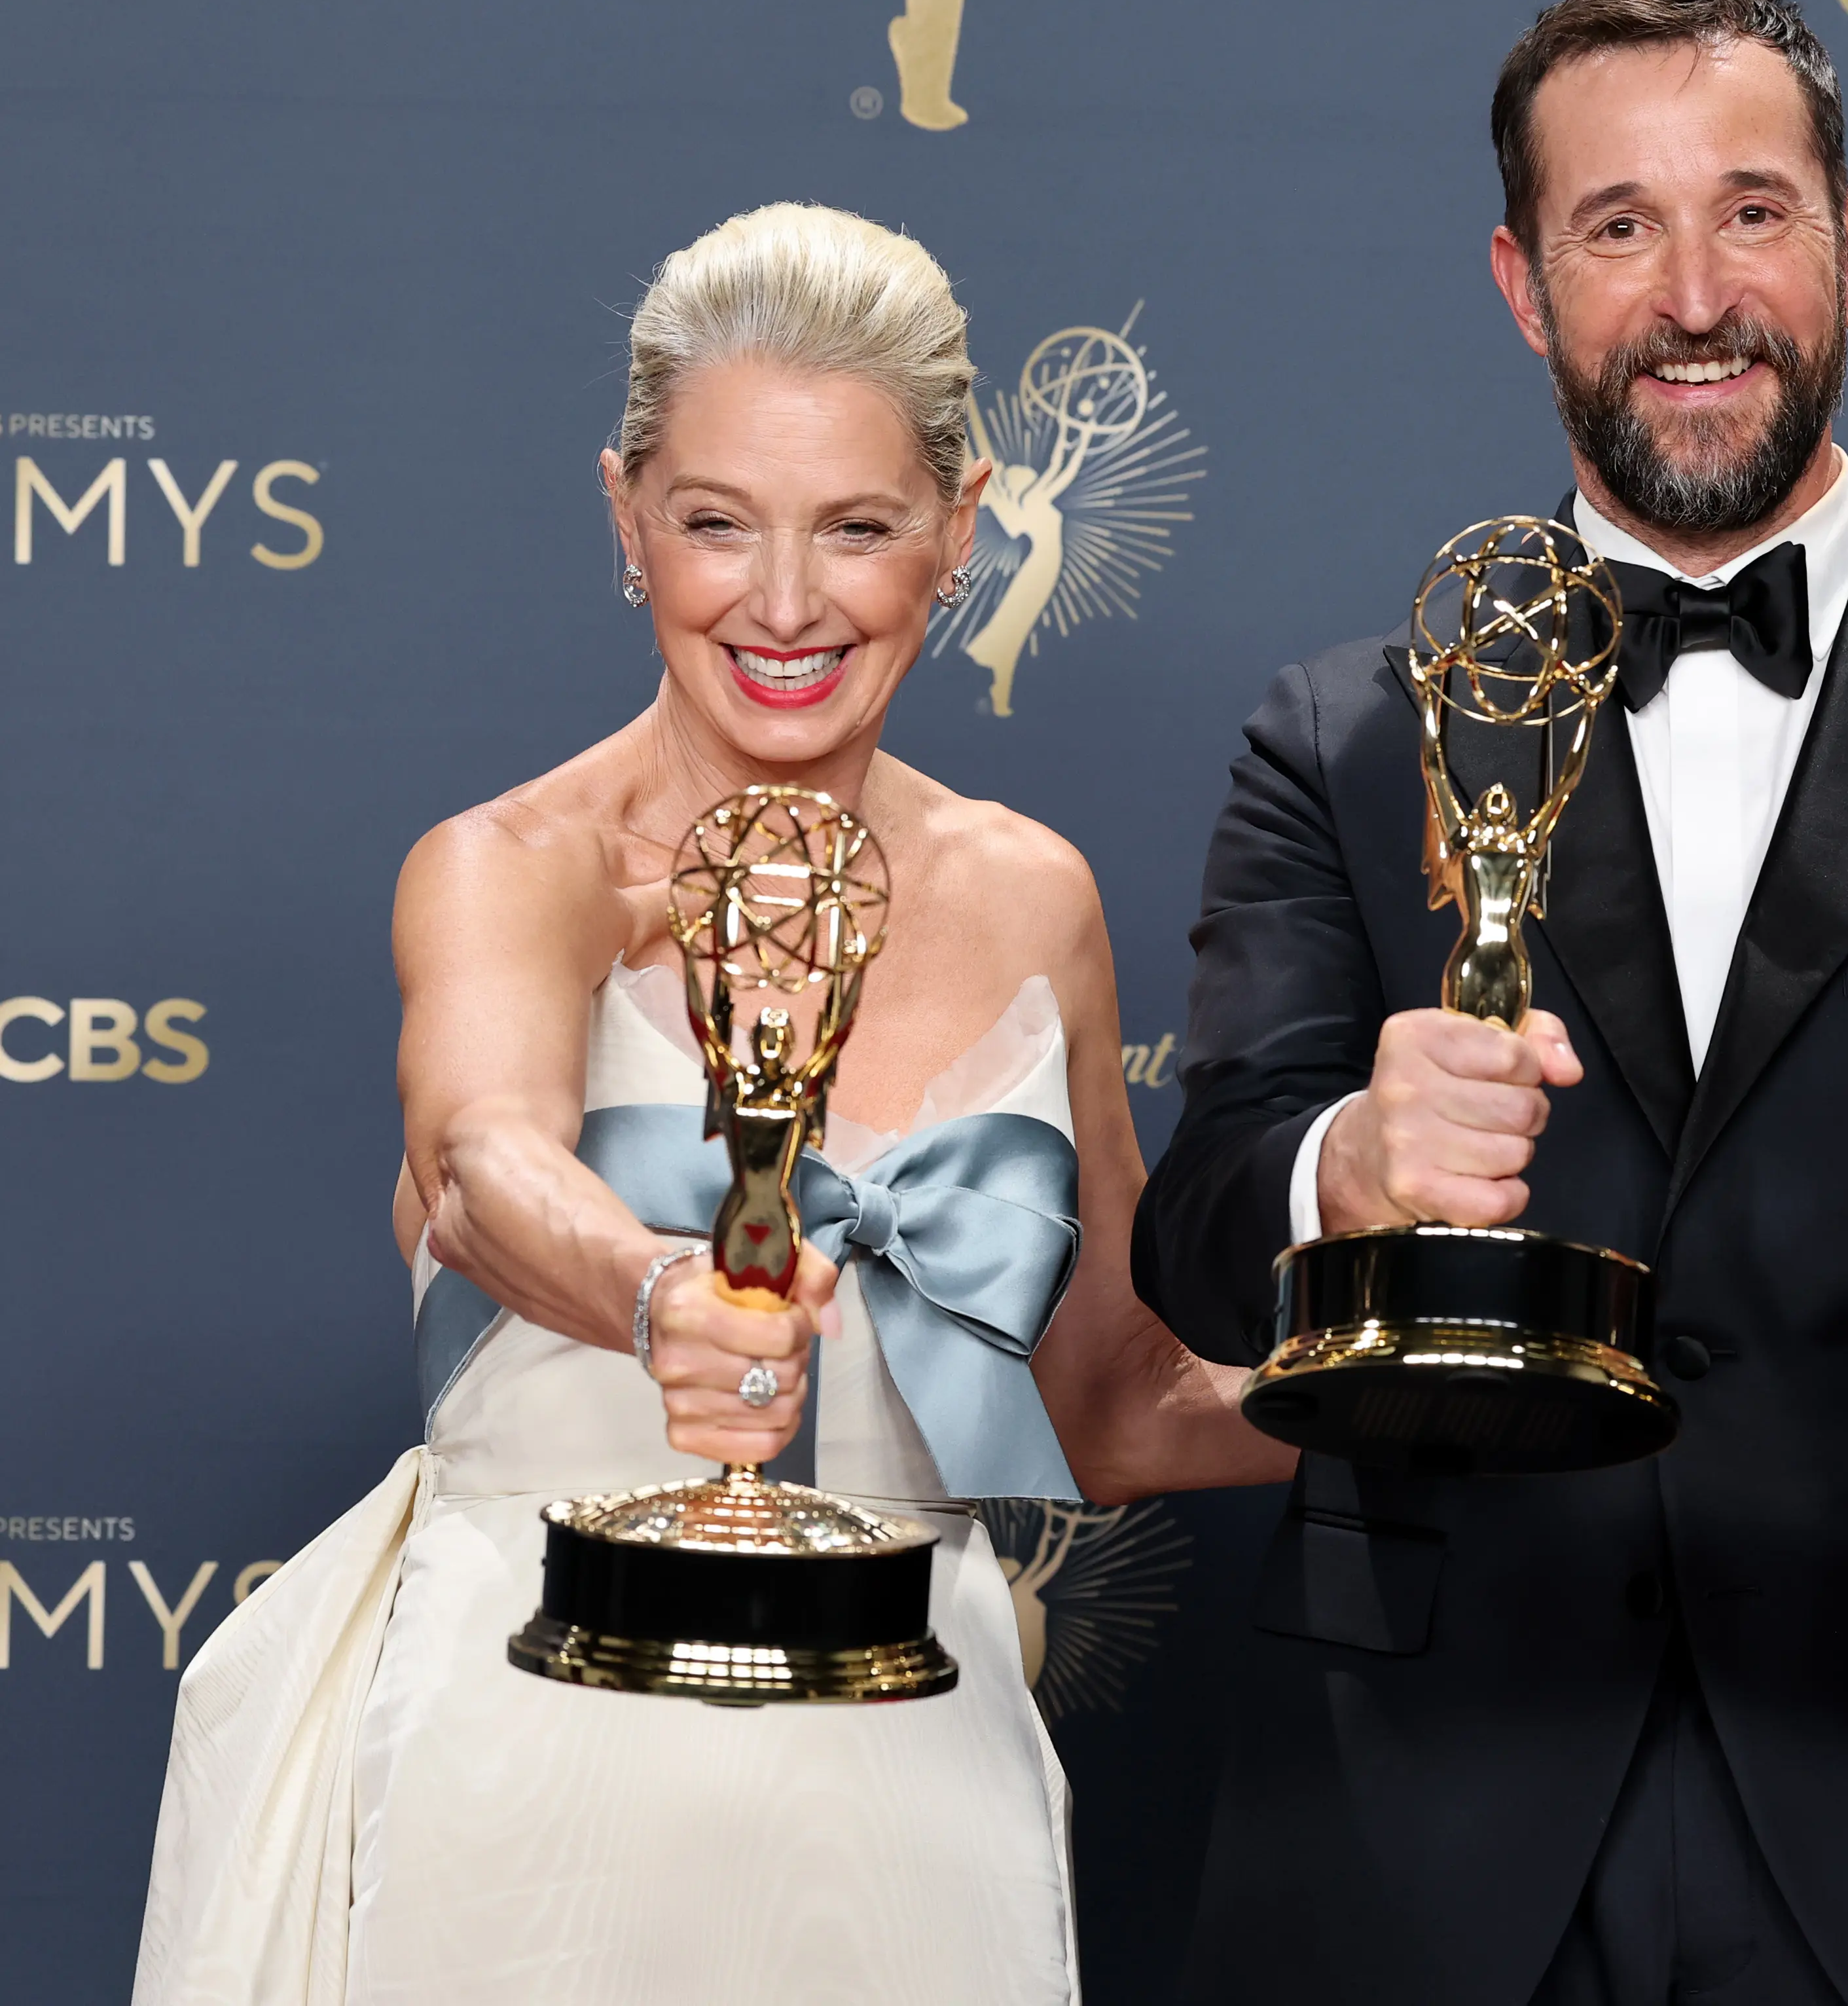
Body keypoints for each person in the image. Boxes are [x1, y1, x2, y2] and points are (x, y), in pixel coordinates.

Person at [1131, 0, 1848, 2006]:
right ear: (1522, 281)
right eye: (1618, 227)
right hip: (1433, 1818)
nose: (1694, 295)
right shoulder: (1343, 733)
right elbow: (1205, 1233)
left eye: (1752, 211)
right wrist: (1347, 1166)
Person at [134, 203, 1291, 2006]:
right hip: (538, 1754)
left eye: (857, 528)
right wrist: (666, 1295)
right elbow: (482, 1160)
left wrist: (1435, 1389)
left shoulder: (1031, 898)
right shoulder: (516, 866)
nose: (781, 603)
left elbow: (1113, 1398)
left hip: (916, 1771)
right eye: (713, 524)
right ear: (626, 517)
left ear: (962, 529)